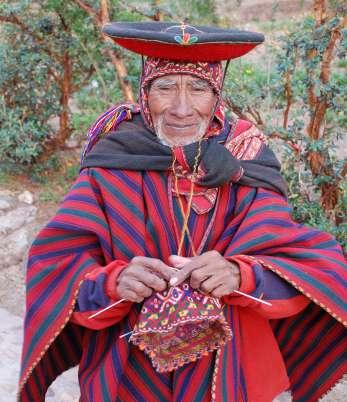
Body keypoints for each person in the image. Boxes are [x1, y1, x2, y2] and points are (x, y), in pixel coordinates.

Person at [19, 22, 346, 402]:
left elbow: (308, 262)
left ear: (216, 94)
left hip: (226, 374)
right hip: (126, 374)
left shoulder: (246, 159)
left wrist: (239, 274)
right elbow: (55, 263)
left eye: (197, 88)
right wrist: (114, 282)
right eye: (165, 87)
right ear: (144, 93)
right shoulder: (112, 160)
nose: (181, 107)